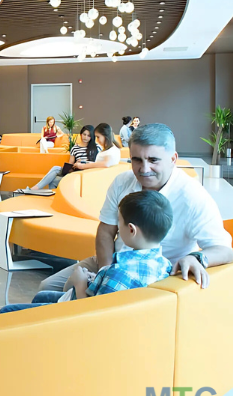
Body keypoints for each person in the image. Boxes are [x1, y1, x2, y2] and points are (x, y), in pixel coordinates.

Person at [39, 123, 233, 292]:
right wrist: (106, 274)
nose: (144, 169)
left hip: (155, 275)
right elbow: (106, 231)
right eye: (137, 160)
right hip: (113, 262)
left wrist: (197, 257)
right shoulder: (122, 182)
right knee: (47, 288)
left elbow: (224, 249)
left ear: (173, 159)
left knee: (70, 300)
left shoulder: (193, 196)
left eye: (153, 160)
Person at [0, 190, 174, 313]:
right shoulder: (164, 265)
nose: (117, 229)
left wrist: (80, 283)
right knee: (42, 296)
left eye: (119, 223)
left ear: (131, 230)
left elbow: (91, 316)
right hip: (92, 299)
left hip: (77, 316)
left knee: (7, 311)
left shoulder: (119, 272)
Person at [26, 125, 98, 191]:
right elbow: (71, 163)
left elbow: (97, 163)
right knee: (56, 169)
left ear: (92, 137)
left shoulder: (96, 148)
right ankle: (37, 189)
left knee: (53, 180)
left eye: (88, 135)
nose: (85, 137)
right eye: (84, 134)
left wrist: (83, 163)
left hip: (87, 175)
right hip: (75, 172)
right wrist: (75, 164)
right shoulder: (75, 148)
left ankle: (35, 189)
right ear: (81, 134)